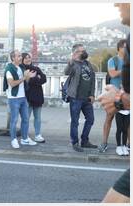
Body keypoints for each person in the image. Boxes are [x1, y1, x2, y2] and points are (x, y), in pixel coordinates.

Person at [100, 3, 130, 203]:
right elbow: (112, 74)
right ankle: (107, 143)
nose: (116, 3)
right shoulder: (114, 59)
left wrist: (120, 100)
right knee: (112, 122)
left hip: (119, 97)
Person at [65, 44, 97, 152]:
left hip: (87, 98)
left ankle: (84, 141)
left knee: (91, 119)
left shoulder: (88, 63)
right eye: (82, 51)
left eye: (84, 50)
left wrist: (92, 94)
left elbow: (92, 80)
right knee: (75, 121)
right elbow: (66, 72)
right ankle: (75, 142)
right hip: (76, 98)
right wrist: (70, 62)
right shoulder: (73, 64)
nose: (84, 52)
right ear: (76, 53)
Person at [3, 50, 37, 149]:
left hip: (23, 97)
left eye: (20, 56)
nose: (21, 58)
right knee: (14, 120)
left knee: (26, 119)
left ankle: (25, 139)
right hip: (14, 98)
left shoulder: (21, 67)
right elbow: (12, 84)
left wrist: (29, 77)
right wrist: (24, 77)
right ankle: (13, 139)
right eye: (18, 56)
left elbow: (25, 82)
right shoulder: (9, 69)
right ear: (13, 58)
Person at [98, 39, 127, 153]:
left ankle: (126, 145)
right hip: (114, 94)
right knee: (109, 118)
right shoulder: (113, 60)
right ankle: (104, 143)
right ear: (119, 48)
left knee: (127, 122)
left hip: (126, 94)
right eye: (125, 47)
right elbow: (112, 73)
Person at [21, 52, 46, 143]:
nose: (28, 59)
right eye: (25, 58)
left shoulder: (36, 68)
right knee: (26, 118)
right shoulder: (21, 69)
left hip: (38, 97)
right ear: (22, 60)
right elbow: (25, 82)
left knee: (38, 118)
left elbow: (44, 79)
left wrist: (33, 79)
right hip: (27, 98)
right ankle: (25, 136)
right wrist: (36, 78)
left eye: (29, 57)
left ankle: (37, 135)